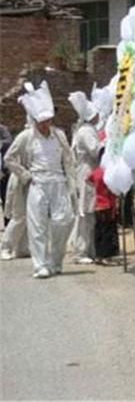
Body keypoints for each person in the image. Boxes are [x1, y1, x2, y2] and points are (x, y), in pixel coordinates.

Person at [4, 81, 76, 278]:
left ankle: (55, 260)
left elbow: (68, 159)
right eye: (42, 121)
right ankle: (40, 264)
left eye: (48, 120)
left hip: (59, 182)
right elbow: (9, 158)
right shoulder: (26, 137)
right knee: (38, 224)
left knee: (64, 220)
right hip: (38, 182)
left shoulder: (59, 135)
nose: (46, 124)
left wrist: (72, 180)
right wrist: (25, 175)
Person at [68, 91, 101, 264]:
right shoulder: (86, 131)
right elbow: (95, 150)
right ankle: (81, 250)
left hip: (88, 171)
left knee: (89, 213)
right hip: (87, 172)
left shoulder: (86, 129)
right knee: (85, 213)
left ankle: (88, 248)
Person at [88, 153, 120, 263]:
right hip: (108, 205)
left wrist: (96, 188)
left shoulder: (97, 172)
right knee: (108, 231)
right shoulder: (109, 173)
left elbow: (87, 179)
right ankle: (107, 256)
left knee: (99, 231)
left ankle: (99, 255)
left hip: (98, 204)